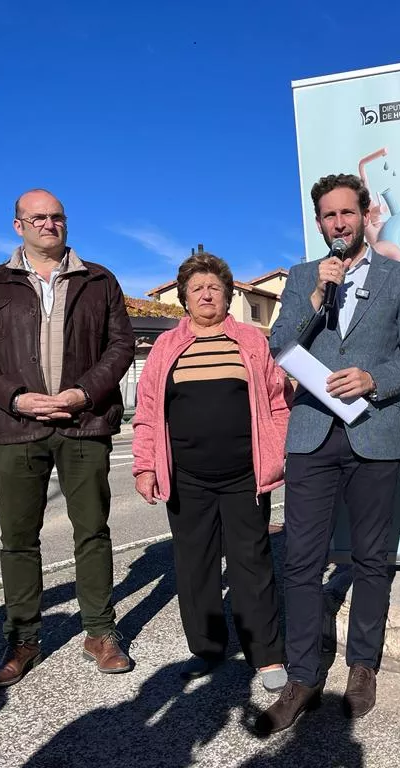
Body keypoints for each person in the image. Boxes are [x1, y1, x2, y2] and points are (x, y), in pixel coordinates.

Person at [256, 173, 400, 735]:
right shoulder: (305, 277)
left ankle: (363, 666)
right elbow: (277, 344)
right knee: (303, 560)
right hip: (311, 436)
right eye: (328, 216)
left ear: (365, 215)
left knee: (372, 558)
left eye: (347, 214)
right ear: (319, 223)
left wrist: (374, 378)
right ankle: (303, 675)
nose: (338, 223)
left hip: (374, 434)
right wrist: (312, 300)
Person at [0, 188, 135, 686]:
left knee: (92, 532)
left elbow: (120, 346)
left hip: (84, 423)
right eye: (37, 218)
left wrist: (82, 393)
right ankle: (22, 641)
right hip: (17, 427)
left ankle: (100, 631)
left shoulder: (99, 280)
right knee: (18, 539)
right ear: (18, 225)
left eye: (57, 217)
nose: (49, 225)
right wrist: (16, 397)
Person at [131, 251, 290, 693]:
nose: (206, 294)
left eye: (214, 288)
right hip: (187, 478)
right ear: (184, 298)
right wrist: (145, 466)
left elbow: (279, 402)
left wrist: (276, 453)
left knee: (251, 564)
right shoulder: (166, 347)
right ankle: (207, 649)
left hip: (245, 475)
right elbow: (147, 412)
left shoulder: (252, 342)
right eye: (197, 288)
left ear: (227, 296)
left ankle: (267, 655)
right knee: (195, 567)